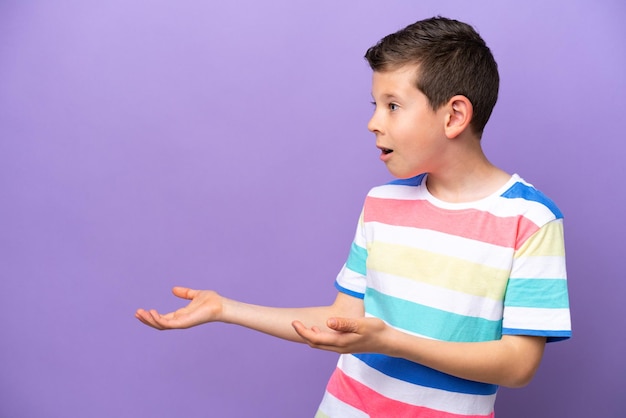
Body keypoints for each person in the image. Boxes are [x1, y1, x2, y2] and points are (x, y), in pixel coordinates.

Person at [136, 16, 571, 417]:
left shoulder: (531, 221)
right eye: (374, 104)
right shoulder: (381, 203)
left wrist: (391, 342)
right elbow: (342, 318)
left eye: (393, 106)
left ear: (454, 115)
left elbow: (518, 366)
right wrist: (225, 308)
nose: (373, 122)